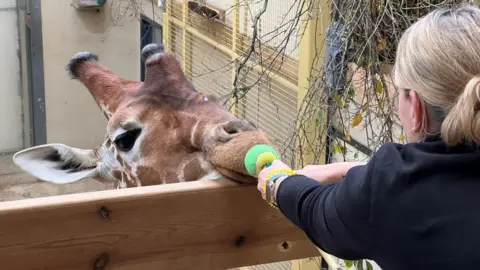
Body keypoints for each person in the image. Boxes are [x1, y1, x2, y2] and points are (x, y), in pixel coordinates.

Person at [257, 4, 480, 270]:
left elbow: (316, 211)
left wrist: (276, 181)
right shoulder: (402, 182)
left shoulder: (394, 189)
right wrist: (348, 169)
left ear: (416, 106)